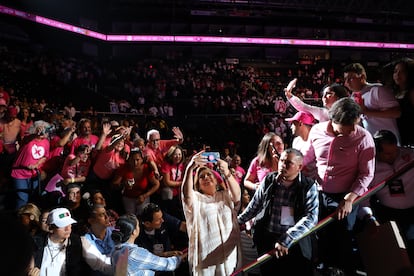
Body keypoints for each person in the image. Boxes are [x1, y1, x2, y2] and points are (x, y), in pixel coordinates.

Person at [302, 97, 376, 274]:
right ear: (333, 120)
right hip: (318, 193)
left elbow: (367, 173)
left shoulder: (363, 137)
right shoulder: (316, 131)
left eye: (355, 123)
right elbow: (307, 157)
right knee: (320, 237)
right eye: (348, 125)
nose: (353, 129)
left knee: (342, 239)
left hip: (345, 196)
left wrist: (350, 197)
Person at [238, 148, 319, 275]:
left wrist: (287, 238)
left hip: (294, 242)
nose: (283, 165)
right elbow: (254, 206)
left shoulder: (307, 185)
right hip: (268, 240)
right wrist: (238, 221)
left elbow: (311, 218)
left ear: (299, 167)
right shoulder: (270, 180)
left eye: (288, 163)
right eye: (281, 161)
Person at [181, 151, 241, 275]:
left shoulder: (225, 196)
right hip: (206, 258)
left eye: (209, 175)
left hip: (229, 257)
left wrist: (226, 172)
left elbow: (237, 196)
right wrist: (189, 168)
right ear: (197, 185)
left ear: (216, 180)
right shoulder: (197, 200)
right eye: (201, 177)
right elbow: (186, 196)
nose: (206, 177)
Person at [361, 129, 414, 263]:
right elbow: (363, 197)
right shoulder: (369, 167)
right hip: (389, 214)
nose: (394, 155)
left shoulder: (409, 155)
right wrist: (369, 217)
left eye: (395, 150)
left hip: (413, 211)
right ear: (377, 151)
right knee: (399, 252)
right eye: (388, 153)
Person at [343, 62, 401, 144]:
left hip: (390, 143)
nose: (347, 82)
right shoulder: (353, 98)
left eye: (351, 78)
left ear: (362, 77)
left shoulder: (377, 90)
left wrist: (367, 112)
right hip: (371, 143)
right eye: (345, 79)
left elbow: (397, 113)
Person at [111, 214, 187, 275]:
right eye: (138, 225)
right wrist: (180, 257)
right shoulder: (134, 253)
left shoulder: (115, 251)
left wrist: (165, 254)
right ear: (134, 232)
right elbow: (168, 265)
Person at [136, 203, 189, 275]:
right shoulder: (136, 234)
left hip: (169, 266)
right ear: (147, 224)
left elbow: (183, 226)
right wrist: (165, 254)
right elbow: (143, 259)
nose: (162, 221)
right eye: (158, 220)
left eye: (162, 217)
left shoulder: (162, 217)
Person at [33, 207, 89, 275]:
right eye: (62, 225)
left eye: (69, 224)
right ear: (51, 228)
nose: (68, 228)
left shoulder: (76, 243)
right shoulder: (36, 243)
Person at [11, 120, 51, 209]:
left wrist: (37, 164)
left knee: (34, 197)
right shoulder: (28, 138)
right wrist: (35, 133)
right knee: (22, 198)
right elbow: (25, 140)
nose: (43, 131)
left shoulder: (46, 142)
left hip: (34, 174)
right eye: (41, 129)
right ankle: (20, 218)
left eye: (45, 129)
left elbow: (45, 156)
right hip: (20, 172)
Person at [112, 148, 160, 216]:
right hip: (128, 197)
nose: (135, 163)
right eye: (132, 160)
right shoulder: (124, 168)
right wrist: (123, 184)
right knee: (131, 216)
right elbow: (114, 185)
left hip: (143, 196)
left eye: (137, 160)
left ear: (142, 160)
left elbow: (157, 184)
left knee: (143, 214)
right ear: (129, 160)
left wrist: (145, 196)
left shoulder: (146, 168)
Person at [285, 78, 349, 122]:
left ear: (338, 97)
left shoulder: (349, 114)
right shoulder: (323, 112)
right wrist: (290, 96)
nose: (323, 97)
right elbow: (303, 107)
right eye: (323, 94)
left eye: (328, 94)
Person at [81, 204, 115, 275]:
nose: (107, 217)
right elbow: (100, 265)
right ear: (90, 220)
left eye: (106, 214)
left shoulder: (116, 233)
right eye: (101, 215)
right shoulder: (85, 240)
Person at [160, 145, 186, 219]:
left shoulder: (183, 165)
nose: (177, 156)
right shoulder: (166, 165)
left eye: (179, 154)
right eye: (175, 154)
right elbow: (167, 182)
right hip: (170, 196)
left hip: (180, 195)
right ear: (171, 155)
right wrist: (182, 183)